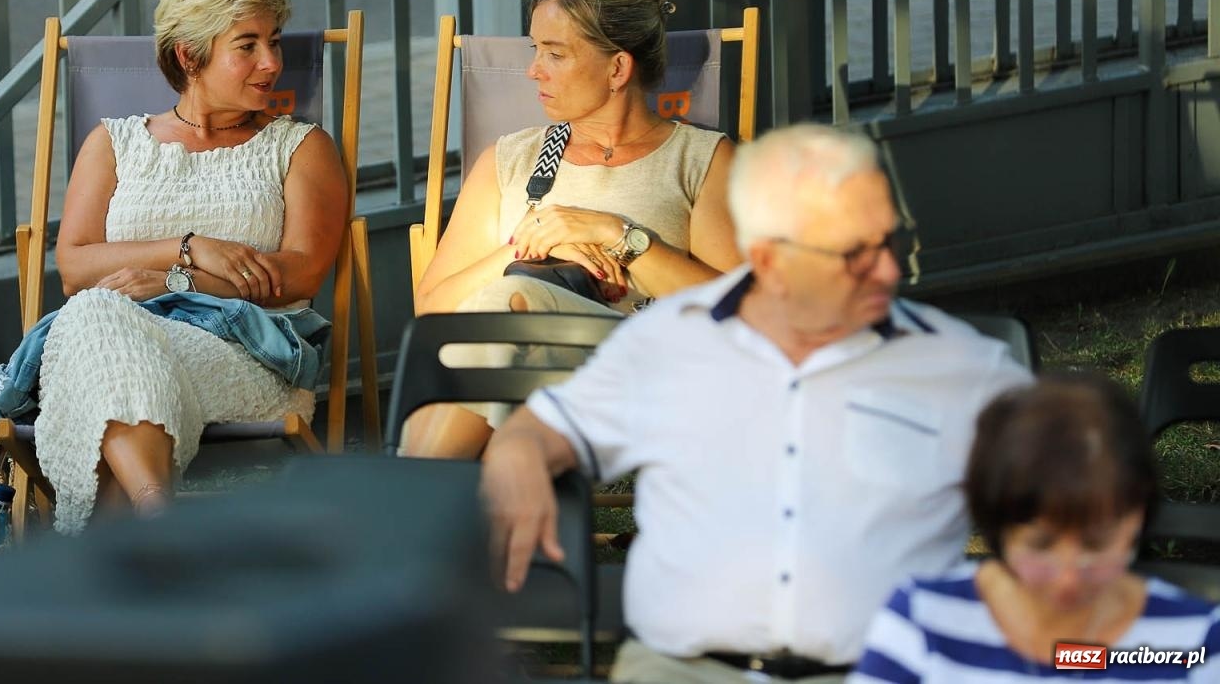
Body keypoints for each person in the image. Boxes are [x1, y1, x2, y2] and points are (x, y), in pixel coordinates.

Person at [480, 123, 1034, 684]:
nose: (889, 271)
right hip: (684, 669)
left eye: (889, 242)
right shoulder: (670, 342)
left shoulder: (958, 368)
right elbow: (540, 432)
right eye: (855, 253)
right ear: (769, 261)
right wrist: (521, 459)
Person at [23, 0, 348, 533]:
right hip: (114, 340)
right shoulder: (114, 143)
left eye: (273, 41)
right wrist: (189, 247)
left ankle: (131, 545)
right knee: (97, 314)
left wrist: (176, 284)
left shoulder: (299, 147)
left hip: (245, 352)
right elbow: (74, 268)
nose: (272, 63)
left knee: (98, 342)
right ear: (188, 55)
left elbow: (297, 275)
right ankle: (160, 526)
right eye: (246, 45)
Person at [403, 0, 741, 459]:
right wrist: (534, 243)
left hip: (645, 372)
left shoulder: (700, 159)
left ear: (618, 68)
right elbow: (433, 308)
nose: (533, 71)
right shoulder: (510, 158)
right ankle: (436, 501)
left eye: (555, 54)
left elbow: (737, 314)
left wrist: (617, 235)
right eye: (535, 49)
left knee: (507, 306)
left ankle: (407, 495)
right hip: (520, 367)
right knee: (503, 308)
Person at [853, 375, 1220, 683]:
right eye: (1040, 545)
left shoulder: (1192, 644)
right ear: (997, 529)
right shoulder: (924, 620)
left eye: (1097, 544)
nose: (1069, 578)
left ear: (1137, 518)